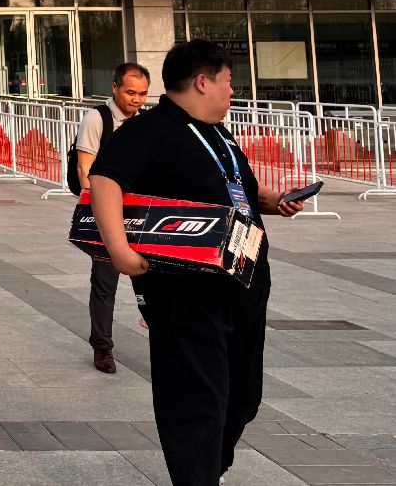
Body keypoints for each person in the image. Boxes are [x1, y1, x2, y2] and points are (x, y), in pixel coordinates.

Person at [89, 41, 303, 486]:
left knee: (244, 396)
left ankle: (208, 469)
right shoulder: (150, 129)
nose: (232, 91)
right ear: (202, 82)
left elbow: (239, 187)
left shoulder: (217, 133)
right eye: (228, 81)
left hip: (242, 287)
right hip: (186, 295)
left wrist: (275, 200)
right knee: (196, 402)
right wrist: (120, 252)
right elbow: (104, 180)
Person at [75, 61, 151, 375]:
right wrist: (102, 206)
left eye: (142, 94)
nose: (136, 99)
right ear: (115, 87)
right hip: (106, 212)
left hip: (141, 212)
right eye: (131, 92)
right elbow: (85, 171)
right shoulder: (98, 118)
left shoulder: (147, 122)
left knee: (149, 277)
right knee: (105, 281)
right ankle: (102, 347)